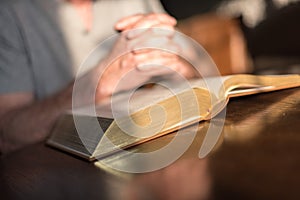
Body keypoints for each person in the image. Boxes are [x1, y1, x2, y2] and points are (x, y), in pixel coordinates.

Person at [0, 0, 199, 154]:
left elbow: (197, 73)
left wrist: (177, 65)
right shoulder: (10, 13)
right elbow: (8, 135)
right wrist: (101, 80)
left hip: (148, 151)